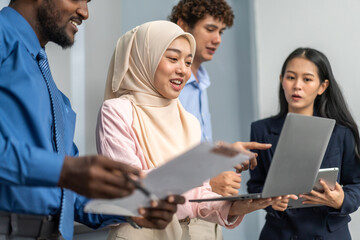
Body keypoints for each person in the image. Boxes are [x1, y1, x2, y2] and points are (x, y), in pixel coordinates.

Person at [0, 1, 185, 239]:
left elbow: (70, 195)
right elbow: (64, 173)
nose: (84, 13)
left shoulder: (53, 91)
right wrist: (64, 170)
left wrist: (131, 208)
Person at [97, 20, 284, 240]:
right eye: (173, 59)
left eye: (187, 62)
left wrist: (234, 207)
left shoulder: (189, 121)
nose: (183, 70)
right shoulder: (117, 111)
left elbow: (201, 192)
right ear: (145, 58)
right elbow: (133, 189)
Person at [168, 0, 273, 238]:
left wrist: (224, 152)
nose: (218, 39)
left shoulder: (200, 80)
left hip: (208, 211)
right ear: (183, 25)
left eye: (221, 31)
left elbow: (192, 149)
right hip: (181, 215)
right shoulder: (171, 86)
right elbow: (161, 160)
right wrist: (208, 182)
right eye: (210, 29)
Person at [247, 47, 360, 239]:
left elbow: (356, 184)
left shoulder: (341, 133)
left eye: (307, 79)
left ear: (322, 87)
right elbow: (256, 184)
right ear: (281, 79)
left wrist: (341, 200)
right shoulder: (261, 130)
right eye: (291, 77)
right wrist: (270, 201)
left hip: (327, 233)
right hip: (279, 233)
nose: (297, 86)